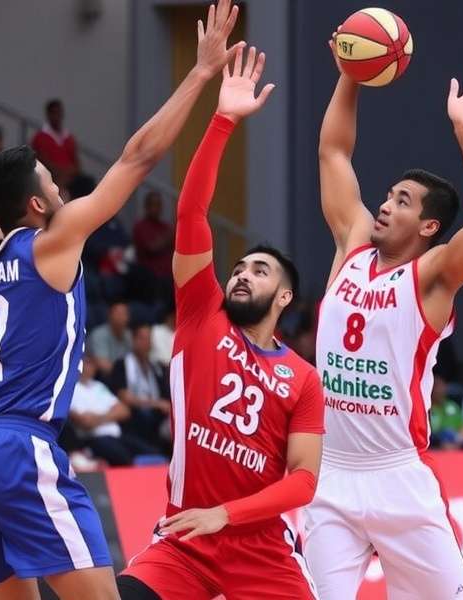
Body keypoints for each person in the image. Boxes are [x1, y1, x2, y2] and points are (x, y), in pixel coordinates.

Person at [0, 3, 244, 598]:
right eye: (50, 180)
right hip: (18, 446)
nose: (61, 184)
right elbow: (138, 157)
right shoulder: (53, 241)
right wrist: (201, 72)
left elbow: (3, 208)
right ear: (36, 204)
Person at [303, 39, 463, 599]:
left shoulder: (432, 276)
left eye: (402, 201)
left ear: (428, 227)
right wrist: (351, 72)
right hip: (329, 472)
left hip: (397, 474)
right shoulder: (351, 244)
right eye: (389, 195)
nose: (385, 204)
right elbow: (333, 152)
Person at [118, 45, 323, 600]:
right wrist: (223, 119)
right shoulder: (201, 312)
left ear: (284, 296)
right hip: (184, 540)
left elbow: (304, 481)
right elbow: (192, 212)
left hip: (261, 550)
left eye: (259, 270)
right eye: (238, 268)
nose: (242, 274)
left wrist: (226, 515)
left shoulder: (303, 378)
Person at [68, 353, 158, 466]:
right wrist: (111, 415)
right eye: (86, 363)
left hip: (117, 436)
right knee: (125, 459)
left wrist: (98, 418)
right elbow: (85, 422)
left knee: (153, 453)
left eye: (91, 363)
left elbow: (125, 411)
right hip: (94, 439)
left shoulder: (99, 386)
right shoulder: (70, 389)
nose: (89, 367)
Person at [108, 323, 170, 452]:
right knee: (145, 415)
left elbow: (165, 398)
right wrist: (155, 404)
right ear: (134, 340)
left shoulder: (156, 367)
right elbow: (124, 397)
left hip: (158, 415)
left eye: (149, 339)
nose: (147, 343)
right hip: (135, 415)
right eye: (142, 338)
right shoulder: (122, 364)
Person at [31, 99, 94, 198]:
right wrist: (61, 174)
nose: (57, 116)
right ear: (49, 115)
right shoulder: (40, 137)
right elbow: (43, 162)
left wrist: (69, 173)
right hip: (53, 177)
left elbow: (77, 164)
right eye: (54, 113)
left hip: (70, 178)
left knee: (87, 182)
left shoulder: (69, 138)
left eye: (59, 113)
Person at [132, 190, 174, 281]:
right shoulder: (141, 226)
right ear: (146, 206)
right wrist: (170, 235)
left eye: (159, 205)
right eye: (154, 204)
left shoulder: (165, 226)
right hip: (151, 276)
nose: (157, 208)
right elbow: (151, 248)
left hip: (170, 274)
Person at [87, 301, 132, 375]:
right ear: (109, 315)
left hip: (120, 375)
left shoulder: (129, 335)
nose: (121, 317)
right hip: (96, 376)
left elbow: (132, 362)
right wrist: (126, 374)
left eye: (124, 314)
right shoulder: (99, 334)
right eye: (118, 314)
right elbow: (102, 365)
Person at [430, 375, 463, 450]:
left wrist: (458, 442)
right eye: (436, 387)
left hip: (456, 442)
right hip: (437, 445)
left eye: (442, 386)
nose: (439, 390)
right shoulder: (427, 409)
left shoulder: (452, 406)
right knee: (445, 433)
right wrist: (441, 444)